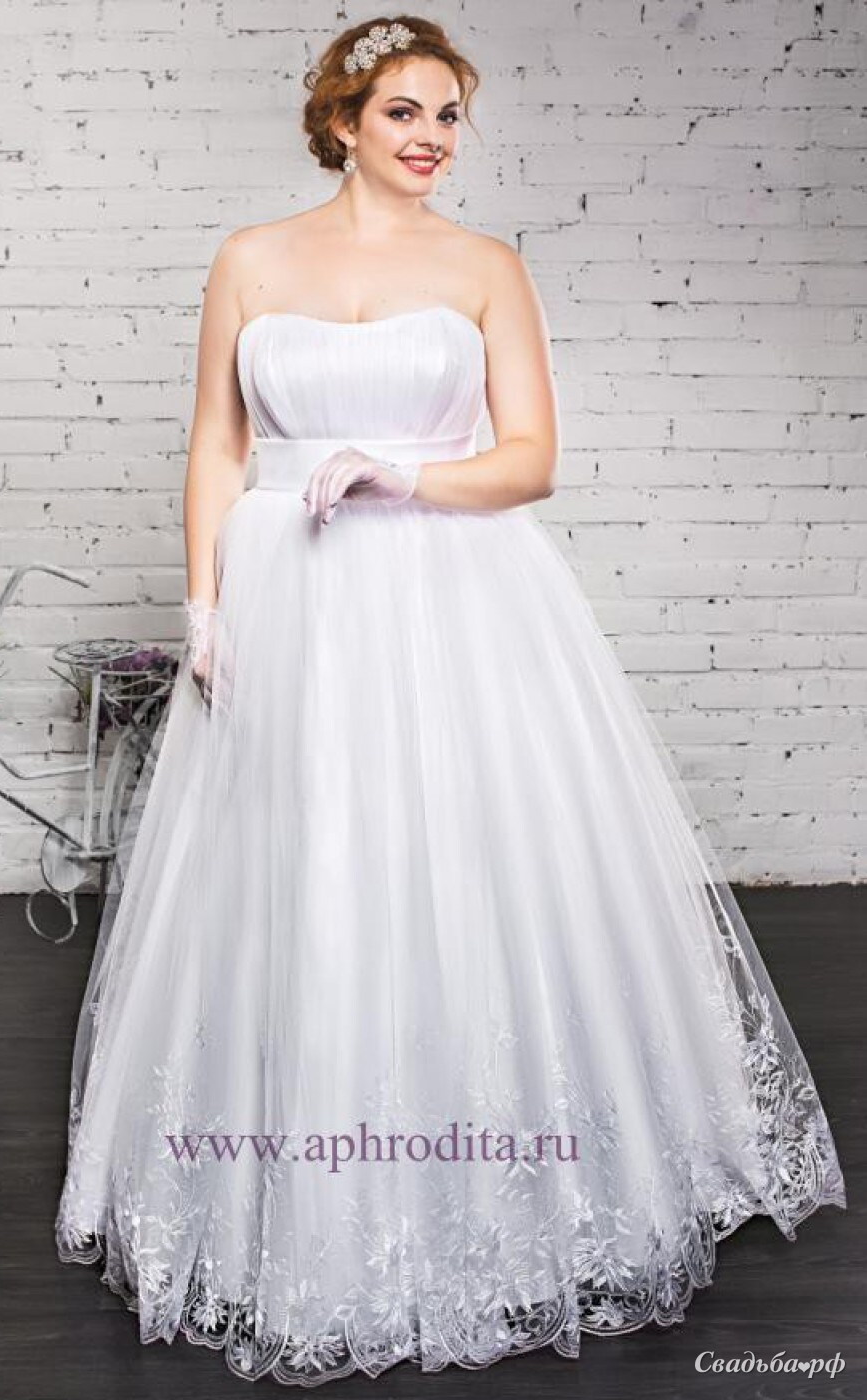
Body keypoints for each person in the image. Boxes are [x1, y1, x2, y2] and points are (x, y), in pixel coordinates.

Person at [55, 14, 846, 1387]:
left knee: (455, 863)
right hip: (290, 596)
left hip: (446, 595)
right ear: (342, 123)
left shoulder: (486, 266)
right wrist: (204, 603)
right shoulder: (250, 259)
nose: (432, 138)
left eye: (448, 115)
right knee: (300, 867)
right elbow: (218, 443)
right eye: (404, 112)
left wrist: (403, 474)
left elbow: (533, 458)